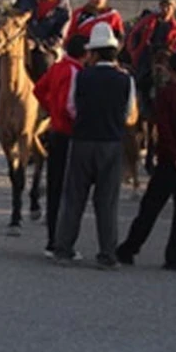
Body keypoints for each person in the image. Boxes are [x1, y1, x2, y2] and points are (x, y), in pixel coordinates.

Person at [116, 52, 176, 271]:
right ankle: (175, 257)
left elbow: (164, 129)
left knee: (150, 207)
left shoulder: (166, 95)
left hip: (170, 160)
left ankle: (130, 248)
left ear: (171, 69)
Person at [53, 22, 138, 269]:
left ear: (95, 52)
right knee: (107, 201)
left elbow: (71, 107)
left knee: (74, 199)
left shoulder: (82, 76)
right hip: (110, 143)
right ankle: (106, 254)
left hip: (82, 142)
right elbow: (129, 112)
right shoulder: (125, 80)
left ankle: (63, 249)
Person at [33, 34, 87, 258]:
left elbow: (38, 90)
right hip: (69, 133)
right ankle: (61, 241)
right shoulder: (76, 72)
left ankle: (51, 239)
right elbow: (70, 105)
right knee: (69, 190)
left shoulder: (56, 67)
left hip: (55, 130)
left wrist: (50, 108)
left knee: (55, 186)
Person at [12, 0, 71, 81]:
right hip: (18, 45)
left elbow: (58, 38)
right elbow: (12, 16)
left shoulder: (64, 11)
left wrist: (36, 45)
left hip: (45, 50)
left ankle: (45, 97)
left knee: (45, 65)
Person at [125, 0, 176, 85]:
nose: (166, 9)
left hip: (166, 59)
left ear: (173, 9)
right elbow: (134, 34)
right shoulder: (148, 21)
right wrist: (133, 51)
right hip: (147, 55)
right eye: (163, 6)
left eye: (169, 7)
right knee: (141, 80)